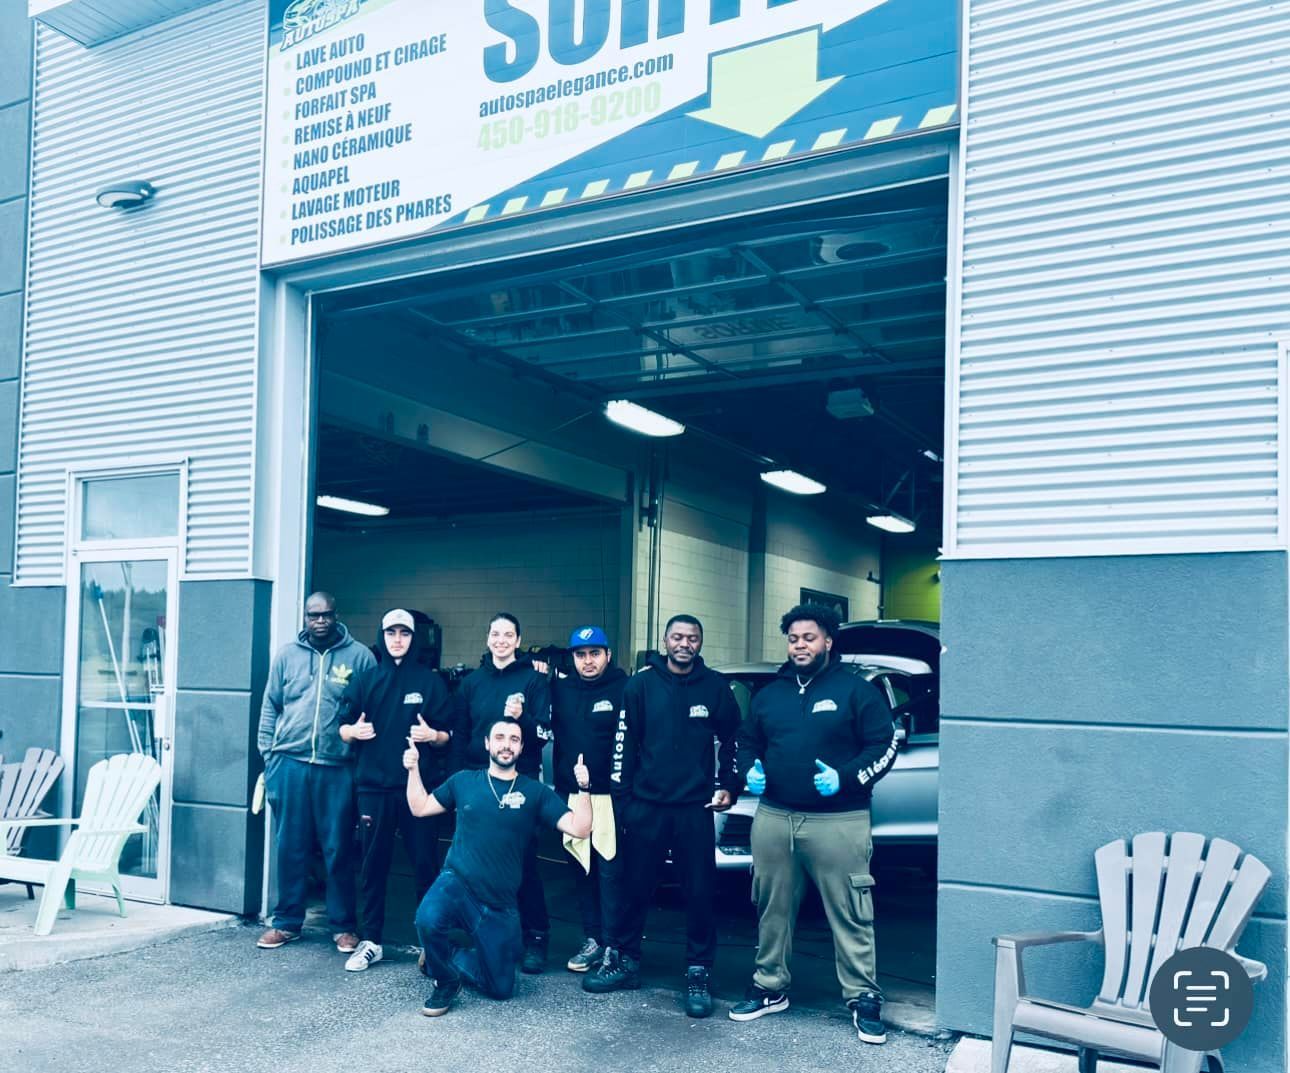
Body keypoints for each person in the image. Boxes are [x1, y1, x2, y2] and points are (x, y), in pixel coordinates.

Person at [729, 604, 899, 1044]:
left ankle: (862, 996)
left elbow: (885, 745)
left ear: (828, 641)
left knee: (851, 909)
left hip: (839, 820)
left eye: (809, 637)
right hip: (775, 816)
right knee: (771, 906)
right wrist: (749, 769)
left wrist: (846, 777)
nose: (800, 645)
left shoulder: (856, 690)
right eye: (793, 639)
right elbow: (746, 741)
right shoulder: (770, 695)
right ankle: (770, 986)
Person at [584, 613, 741, 1018]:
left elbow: (733, 738)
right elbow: (623, 746)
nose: (684, 644)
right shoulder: (640, 686)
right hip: (646, 807)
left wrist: (730, 784)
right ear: (665, 641)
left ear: (700, 643)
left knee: (700, 892)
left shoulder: (715, 687)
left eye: (692, 638)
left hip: (694, 809)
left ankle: (698, 971)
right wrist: (625, 803)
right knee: (634, 888)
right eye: (677, 637)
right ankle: (625, 962)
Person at [408, 719, 592, 1016]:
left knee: (501, 988)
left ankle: (445, 956)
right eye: (500, 737)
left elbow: (580, 828)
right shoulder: (463, 781)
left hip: (500, 904)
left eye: (514, 739)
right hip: (458, 884)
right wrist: (413, 769)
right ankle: (446, 980)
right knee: (427, 918)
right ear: (487, 744)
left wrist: (584, 788)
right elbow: (420, 807)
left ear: (521, 747)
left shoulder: (535, 792)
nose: (506, 744)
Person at [255, 591, 376, 954]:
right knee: (290, 847)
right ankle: (287, 922)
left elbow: (373, 711)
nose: (320, 621)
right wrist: (269, 756)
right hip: (289, 764)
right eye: (313, 615)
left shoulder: (360, 657)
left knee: (337, 848)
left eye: (326, 615)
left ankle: (342, 926)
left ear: (336, 616)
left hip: (337, 768)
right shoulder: (286, 656)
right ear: (305, 617)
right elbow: (270, 706)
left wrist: (360, 765)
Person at [336, 608, 455, 972]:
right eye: (391, 633)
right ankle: (372, 941)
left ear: (413, 638)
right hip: (374, 788)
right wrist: (352, 732)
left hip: (418, 791)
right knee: (373, 865)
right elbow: (341, 727)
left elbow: (448, 735)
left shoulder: (431, 682)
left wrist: (432, 735)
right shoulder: (366, 680)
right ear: (382, 636)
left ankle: (430, 944)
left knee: (425, 864)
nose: (397, 639)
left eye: (404, 633)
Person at [453, 612, 553, 973]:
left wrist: (521, 716)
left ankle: (535, 937)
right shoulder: (471, 683)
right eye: (495, 634)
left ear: (518, 640)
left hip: (518, 783)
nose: (501, 640)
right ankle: (486, 936)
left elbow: (542, 733)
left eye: (508, 635)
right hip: (477, 782)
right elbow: (460, 734)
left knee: (521, 861)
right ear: (487, 638)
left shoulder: (533, 680)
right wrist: (459, 784)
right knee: (477, 863)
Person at [548, 625, 629, 973]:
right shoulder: (560, 689)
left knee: (611, 873)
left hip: (610, 797)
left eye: (595, 653)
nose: (588, 661)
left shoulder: (625, 688)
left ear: (608, 655)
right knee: (582, 870)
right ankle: (593, 939)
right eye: (581, 655)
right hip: (572, 795)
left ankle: (614, 945)